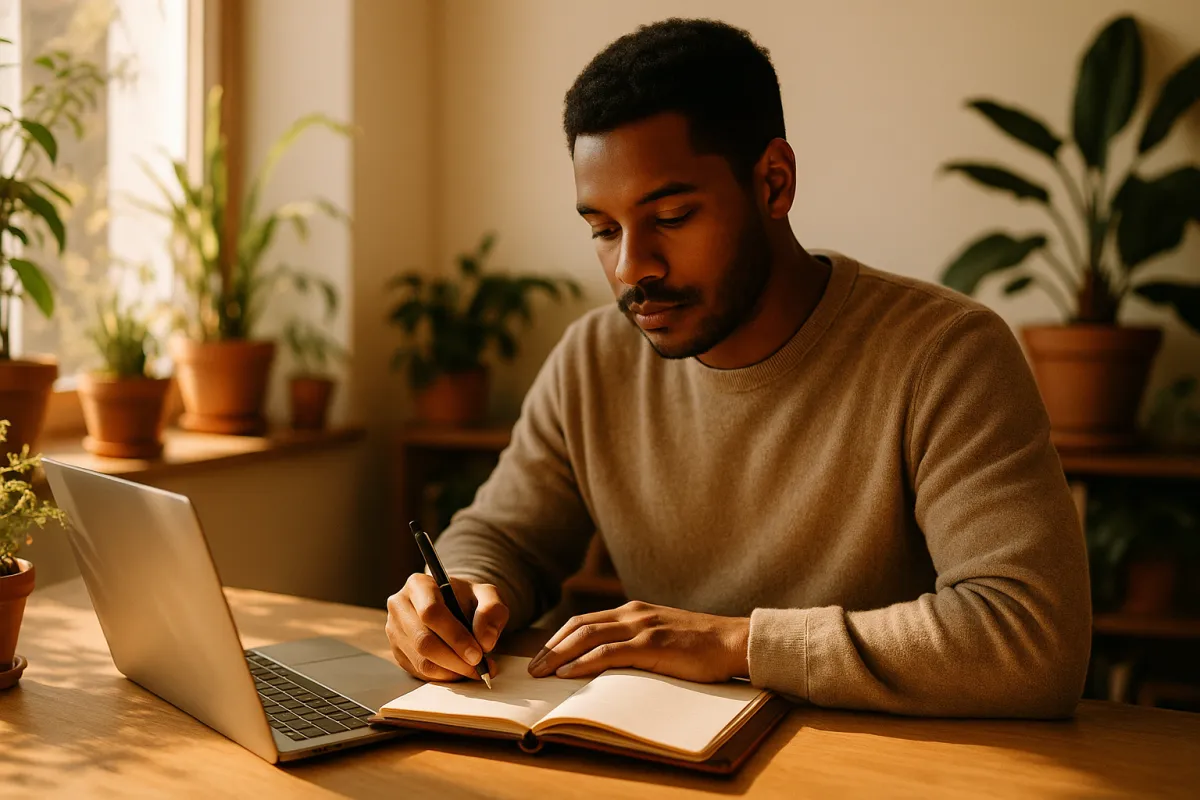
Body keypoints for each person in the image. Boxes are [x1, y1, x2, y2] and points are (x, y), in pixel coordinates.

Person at [385, 17, 1091, 718]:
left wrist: (737, 644)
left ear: (774, 183)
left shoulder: (946, 355)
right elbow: (503, 534)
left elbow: (1029, 635)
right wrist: (462, 592)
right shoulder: (593, 360)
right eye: (603, 230)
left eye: (673, 215)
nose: (633, 267)